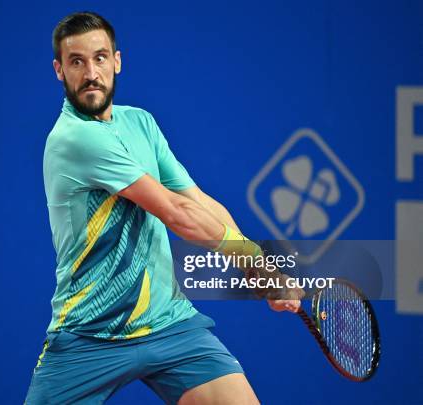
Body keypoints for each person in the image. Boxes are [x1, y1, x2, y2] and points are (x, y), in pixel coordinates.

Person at [25, 12, 302, 405]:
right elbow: (175, 213)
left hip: (169, 323)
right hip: (89, 335)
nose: (91, 73)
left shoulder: (141, 123)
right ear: (59, 70)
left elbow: (196, 200)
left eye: (100, 58)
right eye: (77, 62)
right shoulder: (74, 140)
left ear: (117, 61)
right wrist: (254, 261)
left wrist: (257, 268)